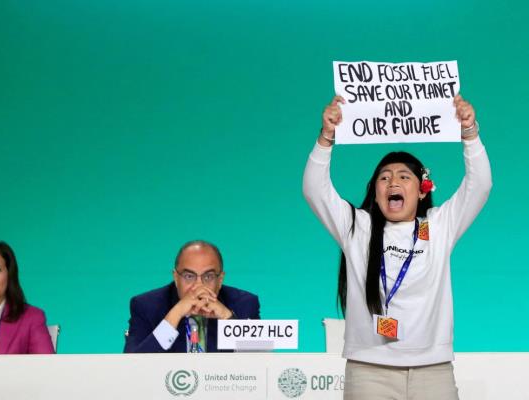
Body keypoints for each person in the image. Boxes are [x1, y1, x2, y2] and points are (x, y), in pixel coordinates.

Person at [303, 95, 492, 399]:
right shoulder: (357, 226)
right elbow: (314, 189)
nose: (393, 182)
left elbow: (480, 184)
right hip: (369, 371)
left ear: (421, 190)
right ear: (375, 191)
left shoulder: (439, 226)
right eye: (384, 177)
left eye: (404, 177)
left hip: (433, 369)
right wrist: (327, 137)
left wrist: (469, 132)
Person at [124, 240, 260, 353]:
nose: (198, 286)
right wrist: (175, 314)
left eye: (208, 276)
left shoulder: (244, 304)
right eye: (189, 276)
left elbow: (263, 365)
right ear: (176, 278)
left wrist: (228, 319)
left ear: (220, 280)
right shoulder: (146, 306)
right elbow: (131, 368)